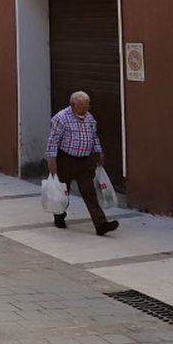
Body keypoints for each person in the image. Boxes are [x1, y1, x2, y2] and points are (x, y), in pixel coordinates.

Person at [46, 90, 119, 235]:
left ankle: (101, 224)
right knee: (62, 191)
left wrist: (99, 152)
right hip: (66, 159)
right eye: (82, 106)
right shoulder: (60, 118)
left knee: (89, 193)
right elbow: (53, 140)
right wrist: (52, 160)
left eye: (87, 106)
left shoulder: (89, 118)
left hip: (85, 161)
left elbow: (94, 137)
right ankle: (59, 216)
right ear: (73, 105)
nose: (86, 109)